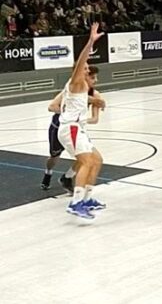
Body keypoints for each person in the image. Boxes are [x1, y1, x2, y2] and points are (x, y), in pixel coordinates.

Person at [57, 23, 106, 220]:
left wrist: (95, 101)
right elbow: (80, 62)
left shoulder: (84, 87)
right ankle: (75, 203)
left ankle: (87, 198)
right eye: (84, 68)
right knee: (85, 162)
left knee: (97, 160)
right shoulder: (76, 82)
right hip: (70, 128)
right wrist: (90, 42)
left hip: (78, 128)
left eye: (87, 68)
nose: (86, 70)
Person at [40, 66, 106, 192]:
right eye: (92, 77)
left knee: (86, 156)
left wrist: (81, 119)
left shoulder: (95, 94)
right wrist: (70, 114)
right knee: (54, 157)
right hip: (60, 126)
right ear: (84, 76)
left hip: (77, 127)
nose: (96, 80)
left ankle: (67, 178)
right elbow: (51, 106)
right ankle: (48, 173)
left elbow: (95, 119)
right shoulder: (71, 89)